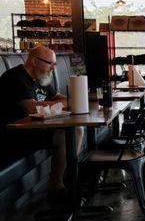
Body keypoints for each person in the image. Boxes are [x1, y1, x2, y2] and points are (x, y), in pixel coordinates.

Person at [0, 45, 83, 202]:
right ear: (35, 61)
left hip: (33, 130)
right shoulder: (15, 77)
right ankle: (56, 188)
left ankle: (68, 178)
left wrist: (72, 101)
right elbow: (32, 108)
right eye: (50, 63)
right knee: (66, 136)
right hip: (13, 134)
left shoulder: (40, 78)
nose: (53, 68)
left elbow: (58, 97)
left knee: (77, 130)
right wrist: (68, 104)